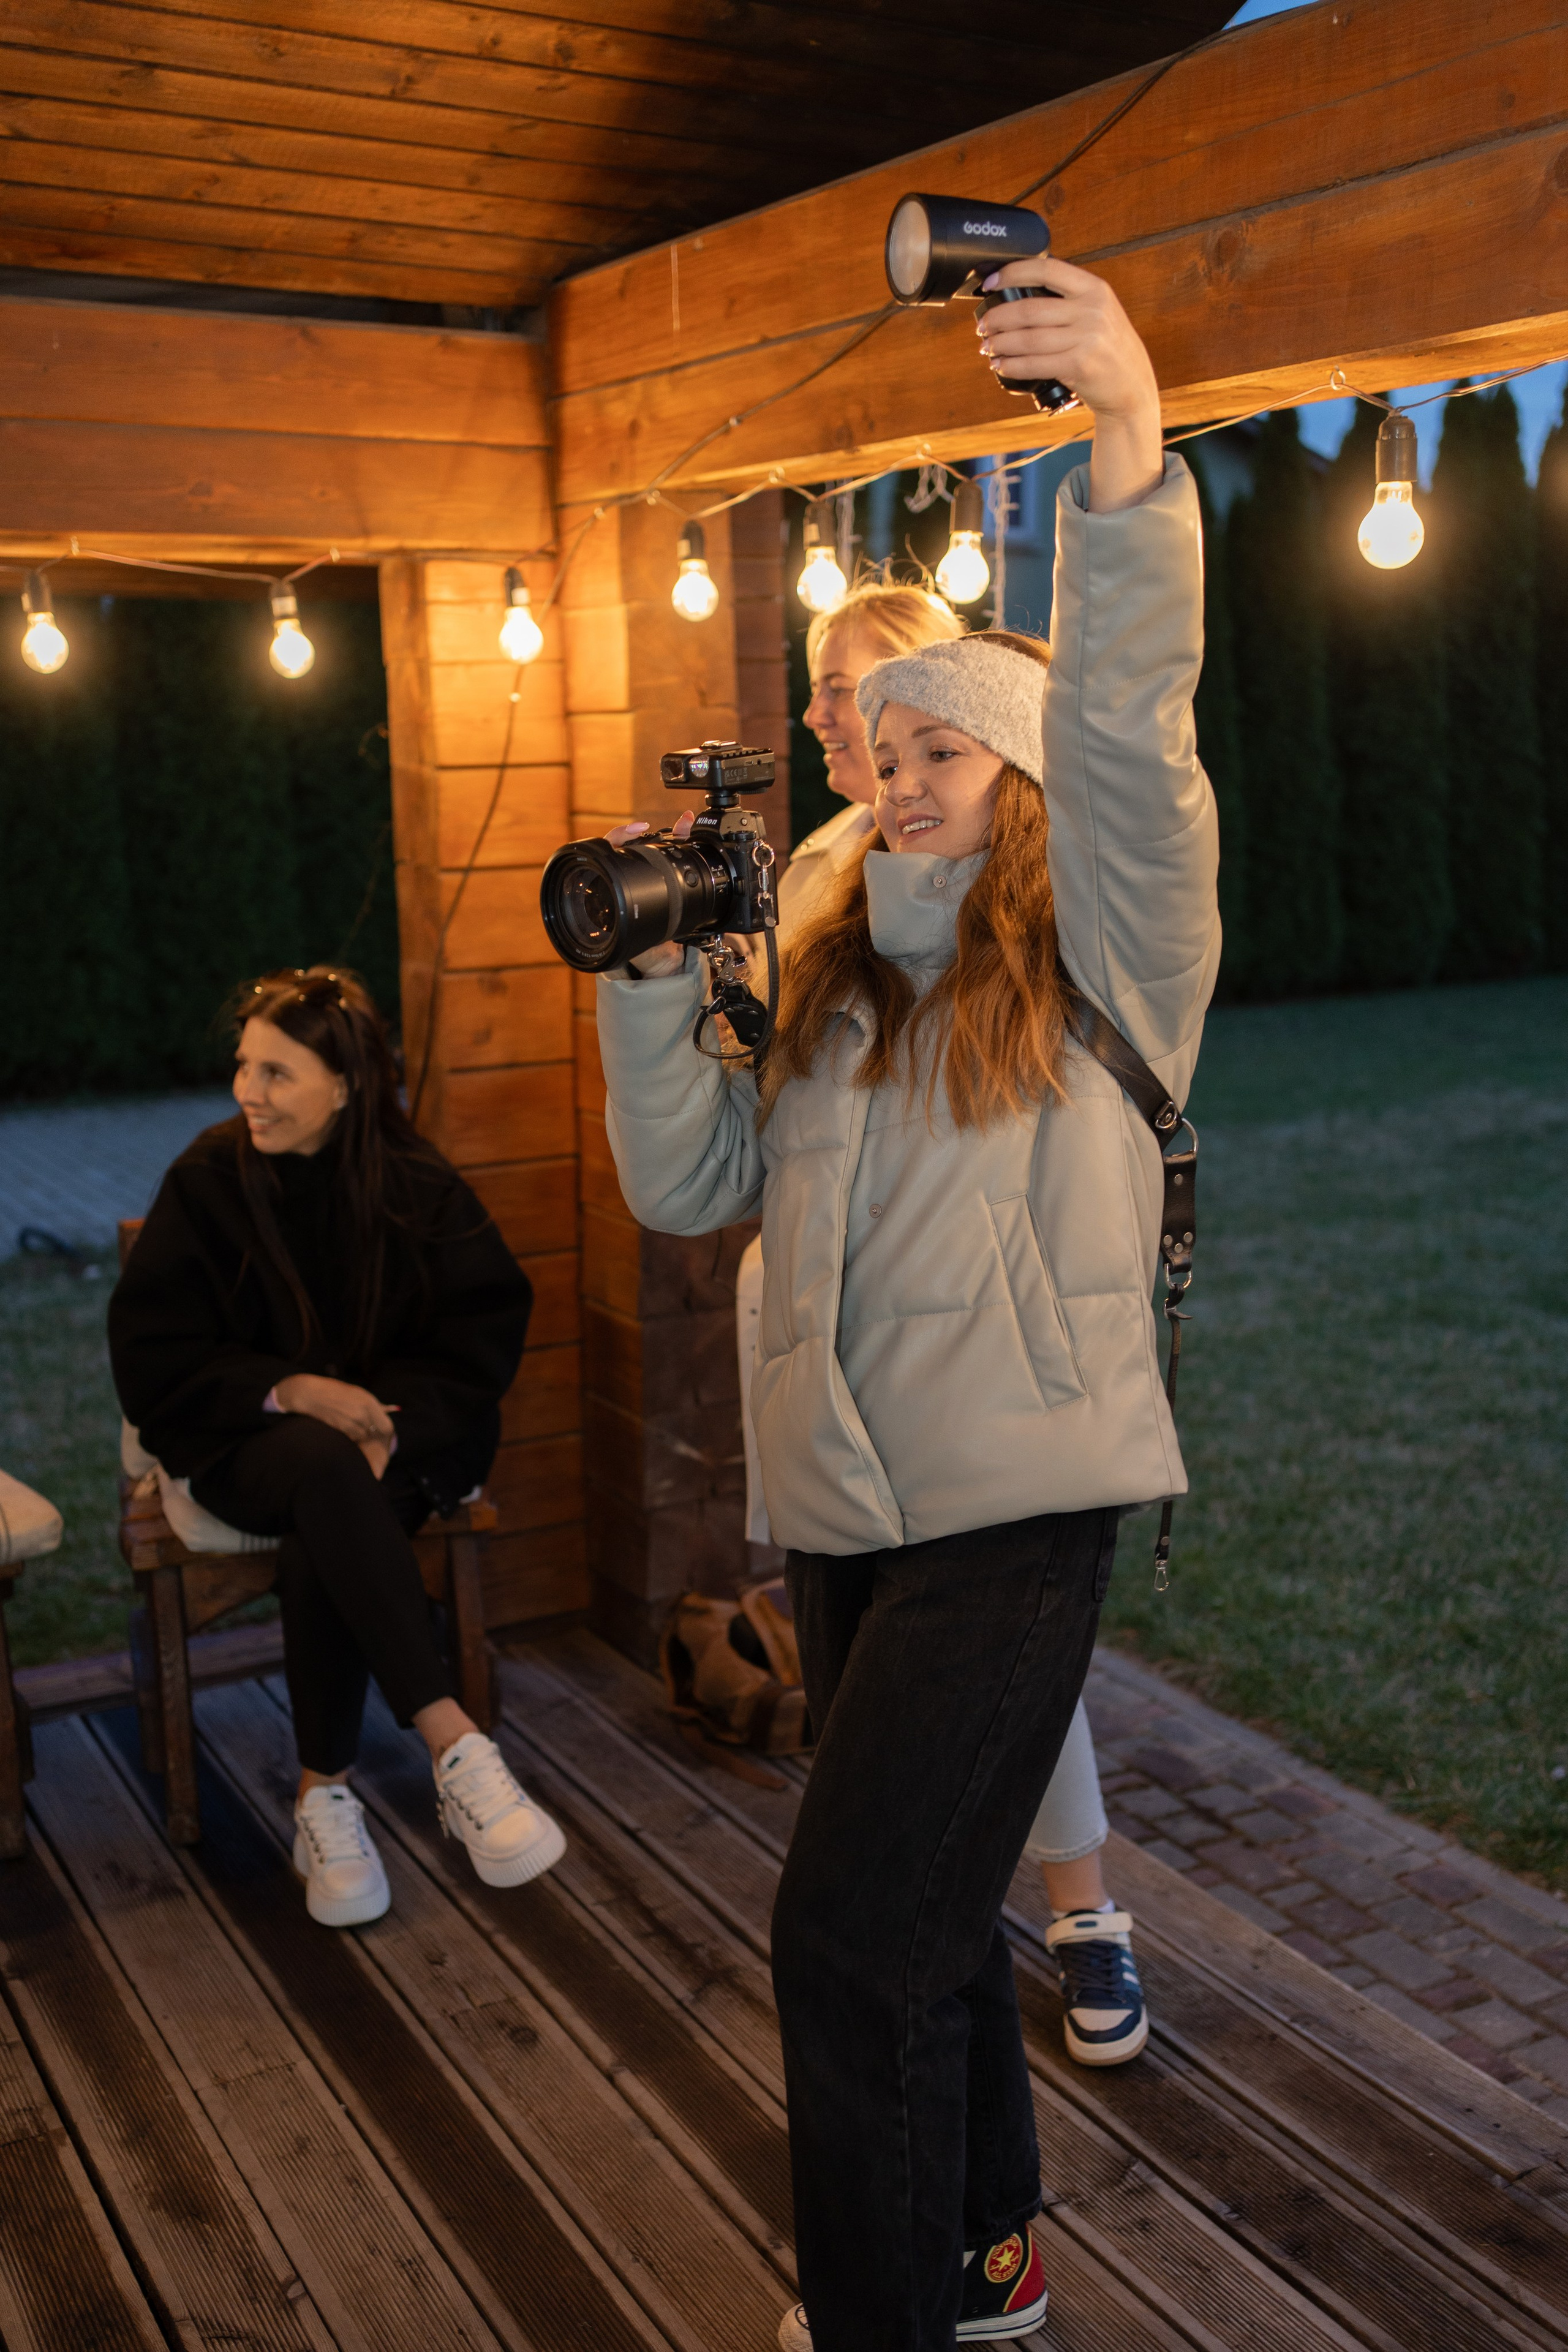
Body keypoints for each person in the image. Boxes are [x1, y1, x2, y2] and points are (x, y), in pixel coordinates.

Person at [595, 252, 1217, 2351]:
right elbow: (688, 1190)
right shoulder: (836, 962)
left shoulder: (1109, 943)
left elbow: (1132, 718)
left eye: (950, 743)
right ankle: (993, 2265)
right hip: (850, 1504)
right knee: (935, 1934)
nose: (902, 765)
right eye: (887, 742)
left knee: (845, 1939)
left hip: (1016, 1507)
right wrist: (649, 988)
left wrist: (1124, 438)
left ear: (1027, 775)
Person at [742, 576, 1149, 2071]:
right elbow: (719, 1163)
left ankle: (1088, 1908)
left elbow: (1132, 751)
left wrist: (1118, 436)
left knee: (874, 1900)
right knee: (908, 1892)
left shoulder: (1078, 923)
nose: (855, 735)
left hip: (999, 1446)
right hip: (839, 1431)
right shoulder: (818, 896)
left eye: (919, 730)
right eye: (854, 713)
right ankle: (985, 2249)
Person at [110, 967, 566, 1929]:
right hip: (247, 1439)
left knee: (334, 1506)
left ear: (346, 1085)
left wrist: (392, 1425)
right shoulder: (206, 1180)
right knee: (320, 1469)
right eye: (243, 1068)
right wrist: (291, 1390)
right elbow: (154, 1354)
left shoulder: (413, 1183)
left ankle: (324, 1797)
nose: (247, 1093)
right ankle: (455, 1745)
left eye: (276, 1073)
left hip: (395, 1441)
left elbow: (482, 1330)